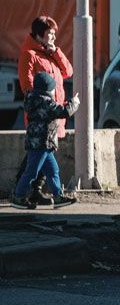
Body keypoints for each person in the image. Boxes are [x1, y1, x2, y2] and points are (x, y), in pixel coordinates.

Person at [16, 16, 73, 204]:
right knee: (39, 155)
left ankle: (33, 192)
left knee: (43, 154)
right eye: (50, 34)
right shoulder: (29, 55)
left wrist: (56, 52)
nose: (53, 37)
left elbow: (68, 71)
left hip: (53, 116)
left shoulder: (51, 53)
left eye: (54, 34)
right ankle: (23, 192)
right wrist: (44, 107)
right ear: (40, 34)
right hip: (42, 116)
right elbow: (27, 86)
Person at [11, 72, 79, 209]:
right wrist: (74, 103)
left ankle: (58, 196)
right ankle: (18, 196)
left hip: (43, 143)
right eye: (53, 88)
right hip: (40, 143)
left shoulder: (35, 99)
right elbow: (63, 112)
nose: (55, 90)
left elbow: (55, 110)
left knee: (53, 169)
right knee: (32, 172)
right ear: (47, 89)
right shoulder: (45, 101)